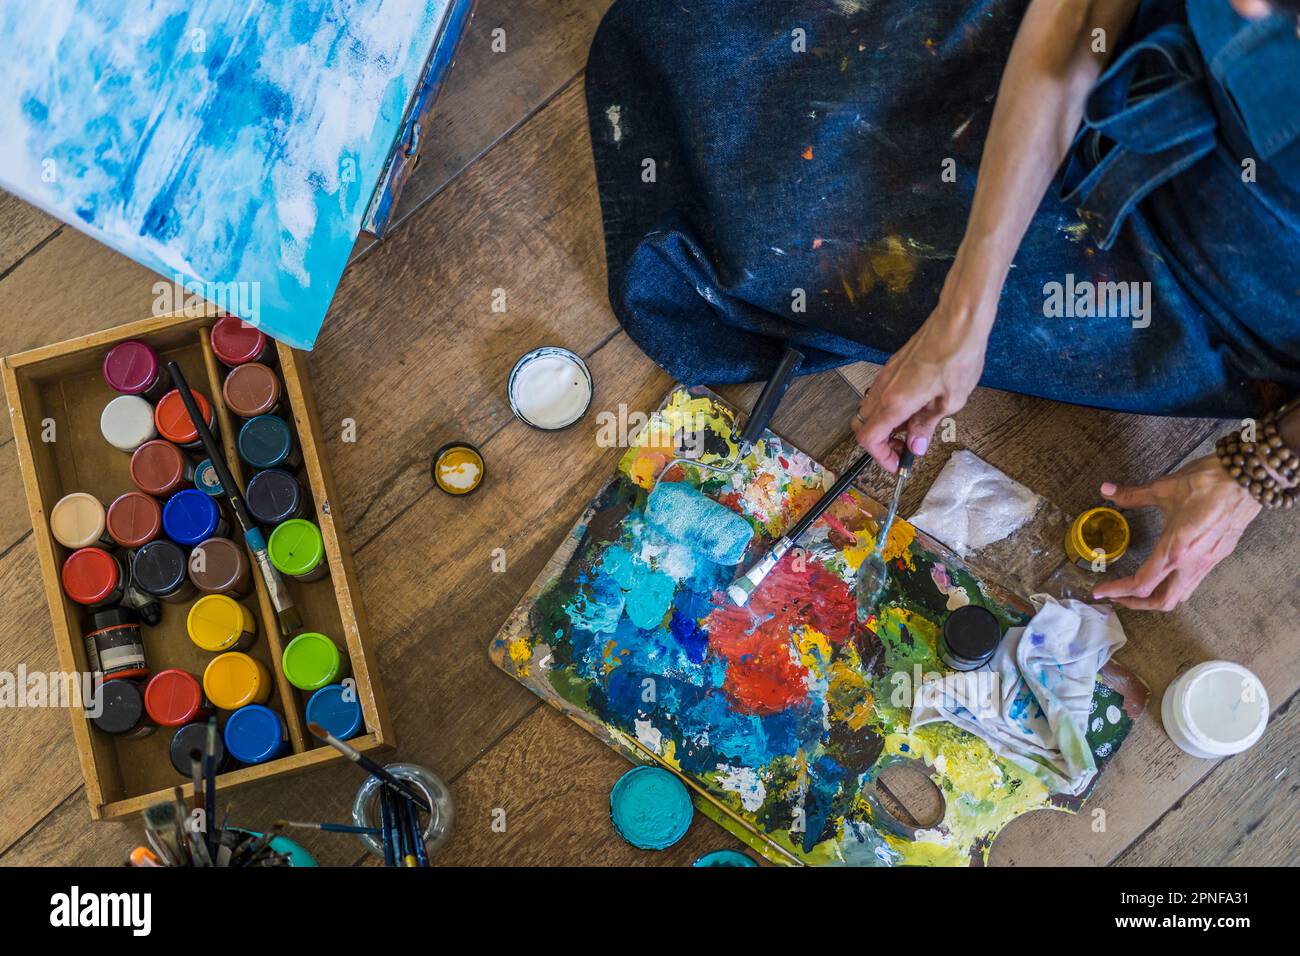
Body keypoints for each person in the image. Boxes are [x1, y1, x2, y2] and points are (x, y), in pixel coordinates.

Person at [584, 0, 1300, 611]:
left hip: (1223, 290)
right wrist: (965, 311)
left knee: (776, 264)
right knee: (733, 100)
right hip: (1112, 72)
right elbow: (1079, 16)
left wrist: (1253, 473)